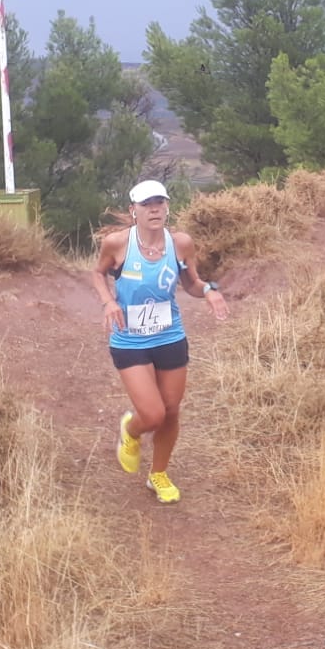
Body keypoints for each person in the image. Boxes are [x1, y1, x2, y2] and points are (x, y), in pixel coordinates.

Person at [90, 179, 228, 504]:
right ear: (133, 210)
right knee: (152, 415)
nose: (154, 209)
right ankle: (131, 430)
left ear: (167, 206)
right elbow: (98, 273)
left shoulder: (180, 243)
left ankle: (159, 474)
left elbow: (190, 283)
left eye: (159, 202)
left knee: (171, 410)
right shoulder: (117, 244)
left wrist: (208, 291)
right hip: (129, 339)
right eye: (146, 204)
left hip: (169, 335)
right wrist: (108, 302)